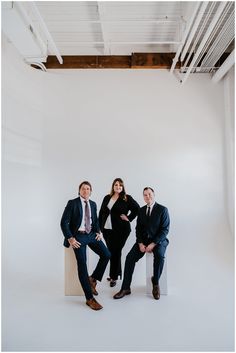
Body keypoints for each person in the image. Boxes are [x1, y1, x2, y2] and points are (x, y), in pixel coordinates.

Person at [60, 181, 111, 311]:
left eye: (88, 189)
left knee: (106, 255)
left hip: (91, 234)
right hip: (78, 236)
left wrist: (98, 232)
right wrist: (70, 238)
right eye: (83, 188)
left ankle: (93, 279)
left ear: (91, 191)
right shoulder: (72, 203)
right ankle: (89, 298)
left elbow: (95, 220)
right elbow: (63, 222)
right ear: (79, 190)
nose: (86, 191)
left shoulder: (93, 204)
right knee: (82, 263)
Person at [113, 186, 170, 300]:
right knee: (129, 258)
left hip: (159, 241)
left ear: (154, 195)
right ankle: (125, 288)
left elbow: (165, 230)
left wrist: (153, 243)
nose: (147, 196)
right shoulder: (141, 210)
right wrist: (140, 243)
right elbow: (138, 229)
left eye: (149, 194)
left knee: (159, 255)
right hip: (143, 241)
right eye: (145, 195)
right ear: (143, 197)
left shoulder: (163, 209)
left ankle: (155, 283)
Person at [99, 178, 140, 287]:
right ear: (113, 186)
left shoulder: (126, 198)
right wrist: (99, 228)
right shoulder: (107, 197)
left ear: (123, 187)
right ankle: (115, 274)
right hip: (107, 230)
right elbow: (101, 212)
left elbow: (137, 208)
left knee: (116, 252)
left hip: (121, 230)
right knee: (111, 252)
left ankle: (113, 277)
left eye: (120, 185)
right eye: (116, 185)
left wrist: (129, 217)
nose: (118, 187)